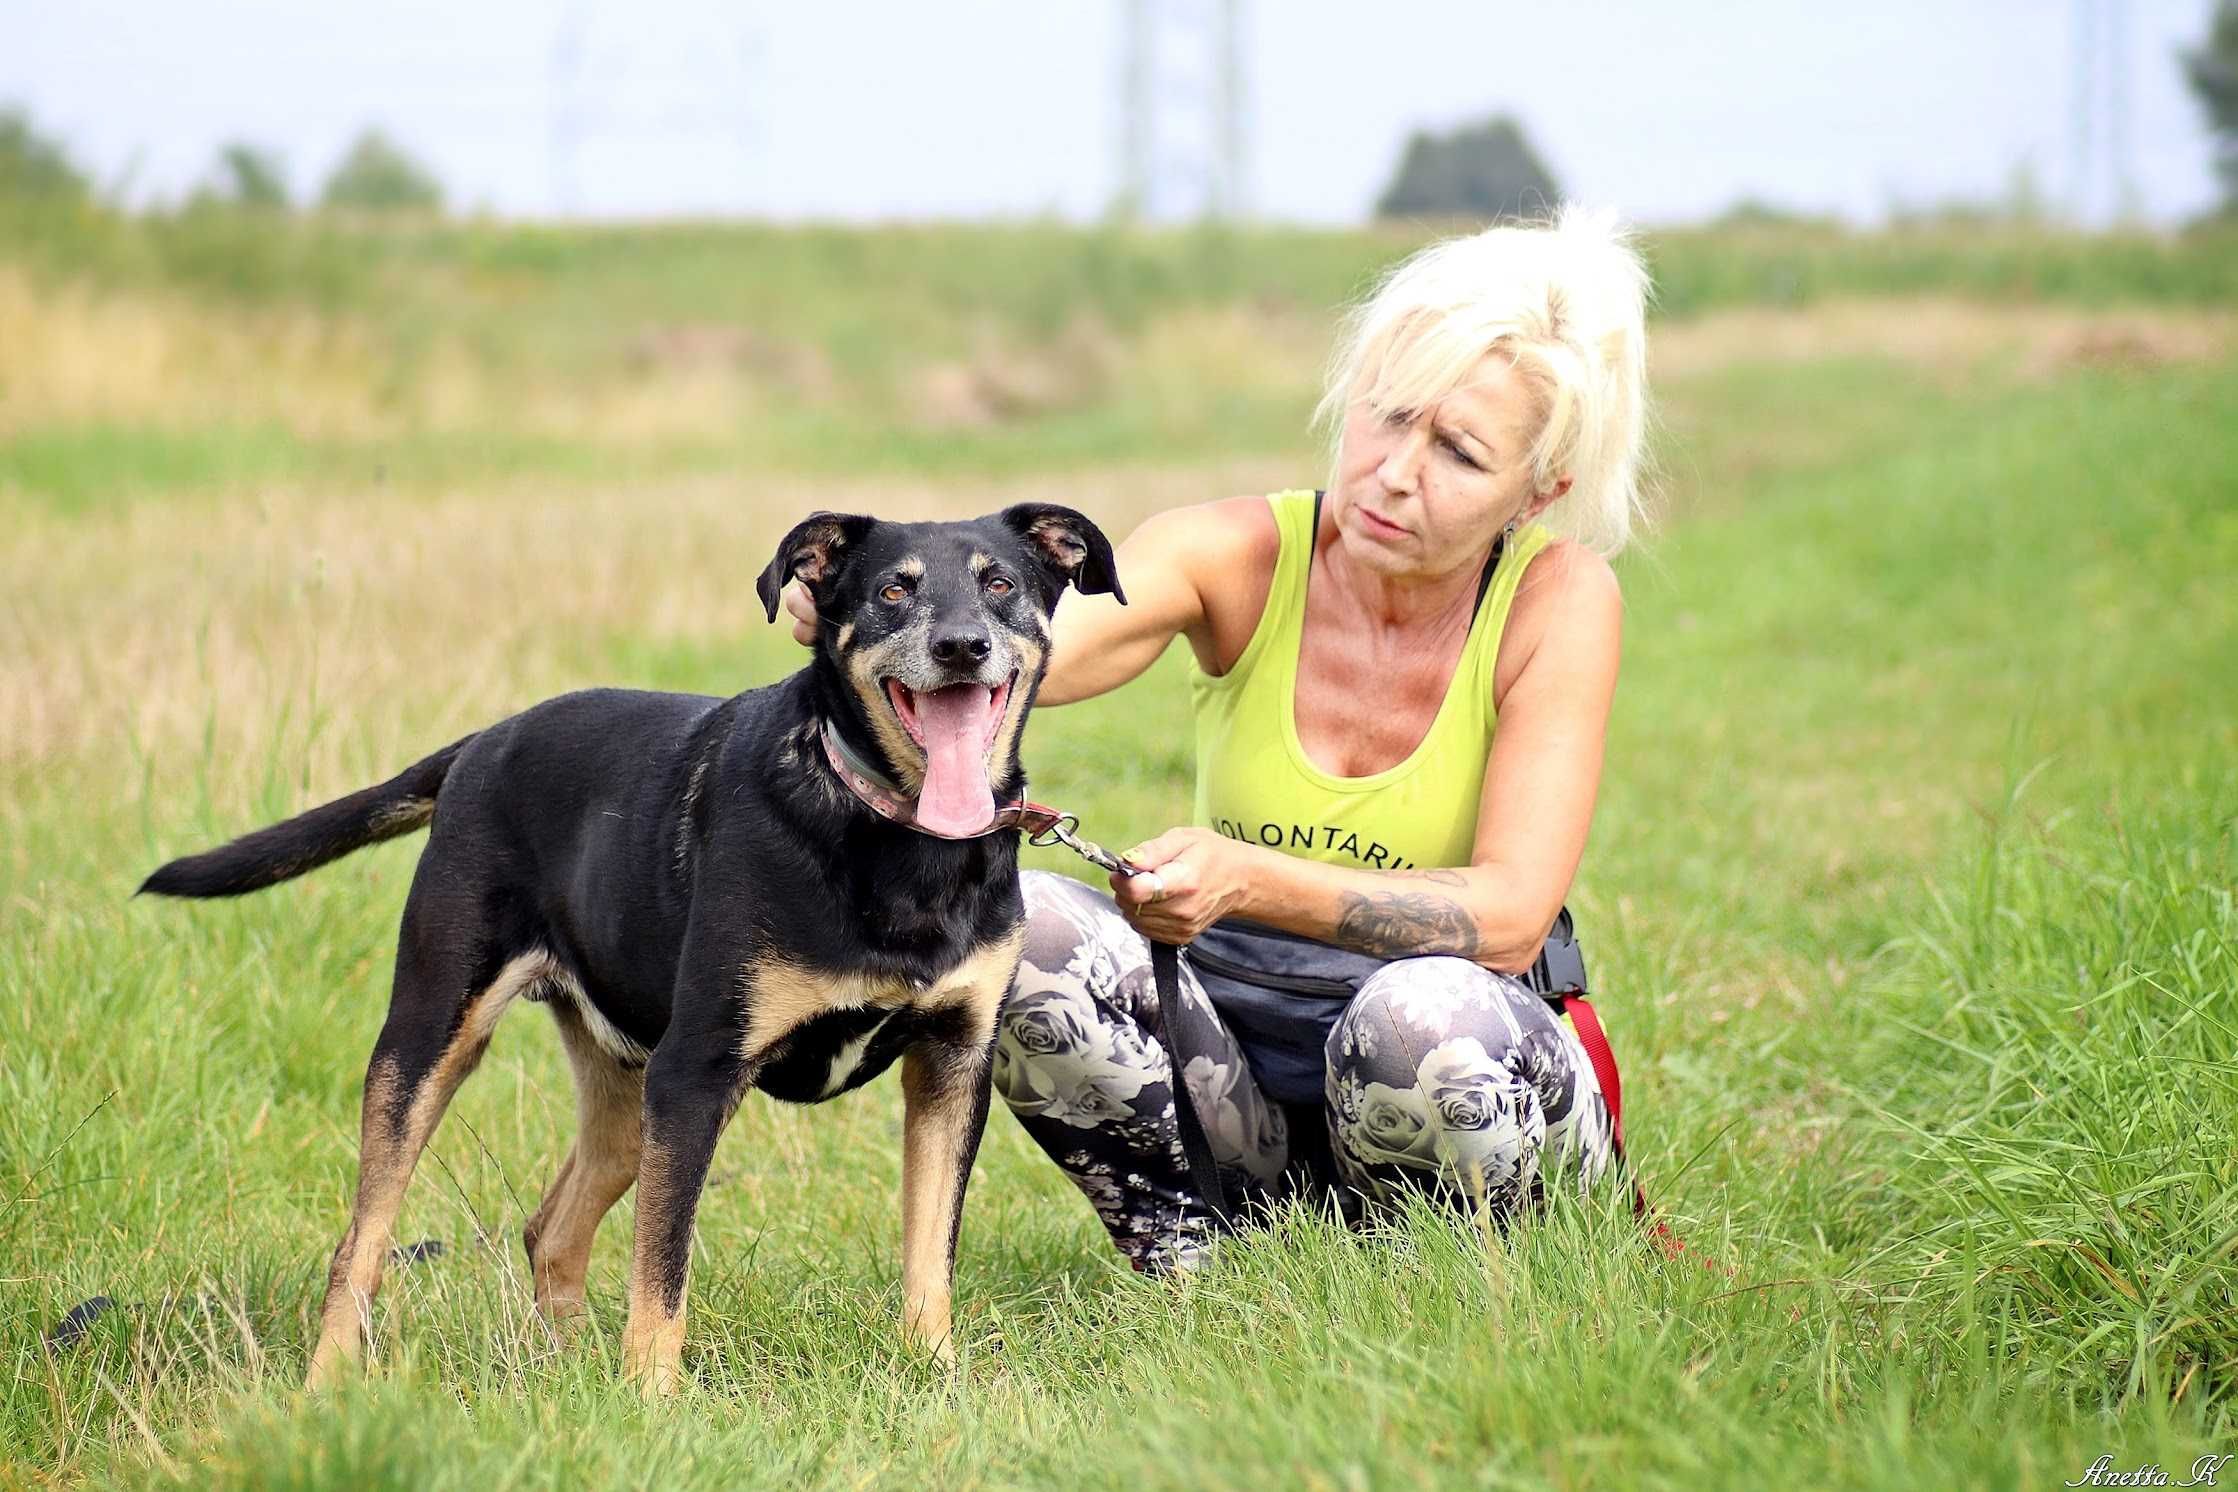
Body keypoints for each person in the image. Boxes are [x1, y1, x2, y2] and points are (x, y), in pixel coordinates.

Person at [788, 208, 1650, 1273]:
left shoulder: (1557, 601)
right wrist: (883, 619)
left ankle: (1430, 1274)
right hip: (1236, 1063)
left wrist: (1247, 879)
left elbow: (1514, 917)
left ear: (1541, 487)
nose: (1394, 472)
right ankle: (1200, 1252)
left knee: (1420, 1016)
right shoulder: (1233, 553)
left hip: (1460, 1053)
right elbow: (1026, 644)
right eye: (1387, 416)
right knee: (1027, 931)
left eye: (1459, 453)